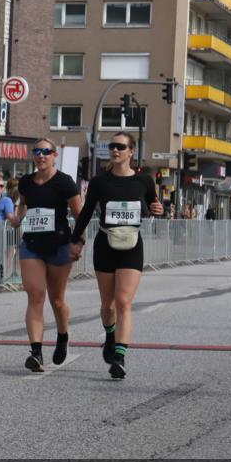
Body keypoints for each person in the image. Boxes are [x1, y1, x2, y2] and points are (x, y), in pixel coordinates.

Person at [70, 132, 163, 379]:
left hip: (132, 245)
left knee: (123, 302)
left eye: (120, 146)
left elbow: (155, 207)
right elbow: (87, 212)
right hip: (105, 244)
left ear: (131, 151)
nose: (115, 150)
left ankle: (119, 358)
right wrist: (75, 241)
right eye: (112, 146)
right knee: (108, 304)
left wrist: (159, 209)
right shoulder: (100, 181)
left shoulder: (144, 181)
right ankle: (110, 334)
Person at [6, 139, 83, 372]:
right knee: (35, 295)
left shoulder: (64, 182)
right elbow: (24, 206)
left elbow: (80, 214)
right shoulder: (26, 182)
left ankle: (62, 336)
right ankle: (36, 352)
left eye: (46, 152)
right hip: (31, 244)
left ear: (54, 156)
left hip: (59, 246)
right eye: (37, 152)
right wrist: (17, 220)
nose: (41, 156)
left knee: (57, 300)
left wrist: (78, 241)